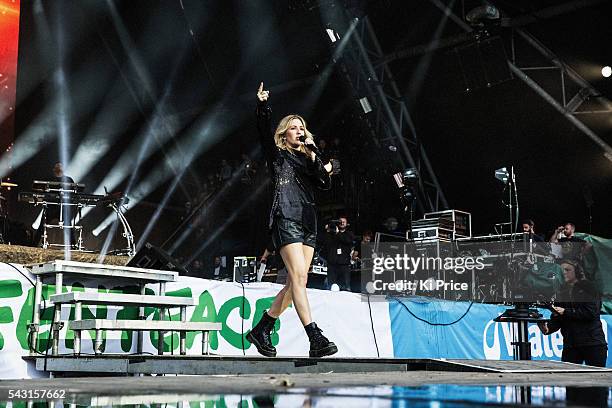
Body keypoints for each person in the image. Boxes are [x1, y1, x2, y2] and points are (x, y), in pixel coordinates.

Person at [247, 82, 337, 358]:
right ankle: (314, 337)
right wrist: (263, 106)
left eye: (302, 127)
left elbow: (324, 183)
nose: (299, 130)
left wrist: (313, 154)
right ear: (284, 133)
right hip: (285, 215)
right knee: (297, 276)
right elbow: (263, 131)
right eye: (294, 127)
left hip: (308, 220)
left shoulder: (308, 160)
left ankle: (262, 328)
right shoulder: (278, 155)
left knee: (298, 281)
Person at [537, 259, 607, 367]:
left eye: (567, 270)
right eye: (561, 270)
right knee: (569, 382)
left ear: (577, 272)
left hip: (592, 343)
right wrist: (547, 328)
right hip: (571, 345)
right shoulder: (560, 292)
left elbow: (591, 313)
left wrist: (565, 311)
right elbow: (559, 318)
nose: (564, 272)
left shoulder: (589, 287)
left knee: (596, 382)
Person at [323, 216, 355, 291]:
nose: (342, 223)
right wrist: (327, 231)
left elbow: (347, 241)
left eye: (344, 222)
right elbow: (325, 243)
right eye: (340, 221)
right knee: (331, 287)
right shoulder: (331, 233)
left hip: (344, 265)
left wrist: (338, 233)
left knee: (345, 288)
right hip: (332, 264)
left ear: (347, 224)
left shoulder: (349, 234)